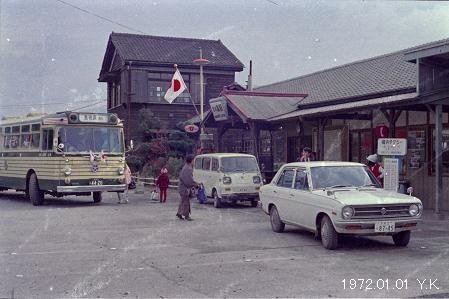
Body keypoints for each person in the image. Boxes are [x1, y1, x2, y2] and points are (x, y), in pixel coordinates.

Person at [177, 154, 198, 221]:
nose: (194, 162)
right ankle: (186, 216)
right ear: (191, 161)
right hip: (184, 188)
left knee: (182, 201)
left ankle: (179, 213)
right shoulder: (188, 168)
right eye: (194, 160)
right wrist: (195, 184)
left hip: (182, 187)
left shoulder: (186, 167)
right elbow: (188, 181)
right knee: (186, 202)